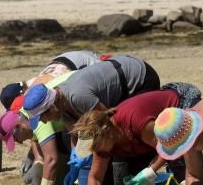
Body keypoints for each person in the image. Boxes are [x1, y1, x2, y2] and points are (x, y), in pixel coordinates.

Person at [73, 83, 202, 185]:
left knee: (181, 157)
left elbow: (168, 147)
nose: (95, 151)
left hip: (181, 99)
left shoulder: (134, 121)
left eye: (96, 146)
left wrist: (150, 171)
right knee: (135, 171)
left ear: (107, 132)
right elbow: (95, 177)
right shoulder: (103, 141)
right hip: (147, 133)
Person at [24, 55, 161, 132]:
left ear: (51, 107)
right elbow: (76, 133)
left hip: (140, 77)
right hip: (120, 81)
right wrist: (76, 160)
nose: (43, 121)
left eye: (41, 117)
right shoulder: (61, 103)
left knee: (131, 128)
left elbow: (109, 120)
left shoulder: (78, 97)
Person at [0, 50, 103, 111]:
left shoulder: (36, 86)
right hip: (72, 57)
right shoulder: (33, 82)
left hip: (87, 63)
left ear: (20, 96)